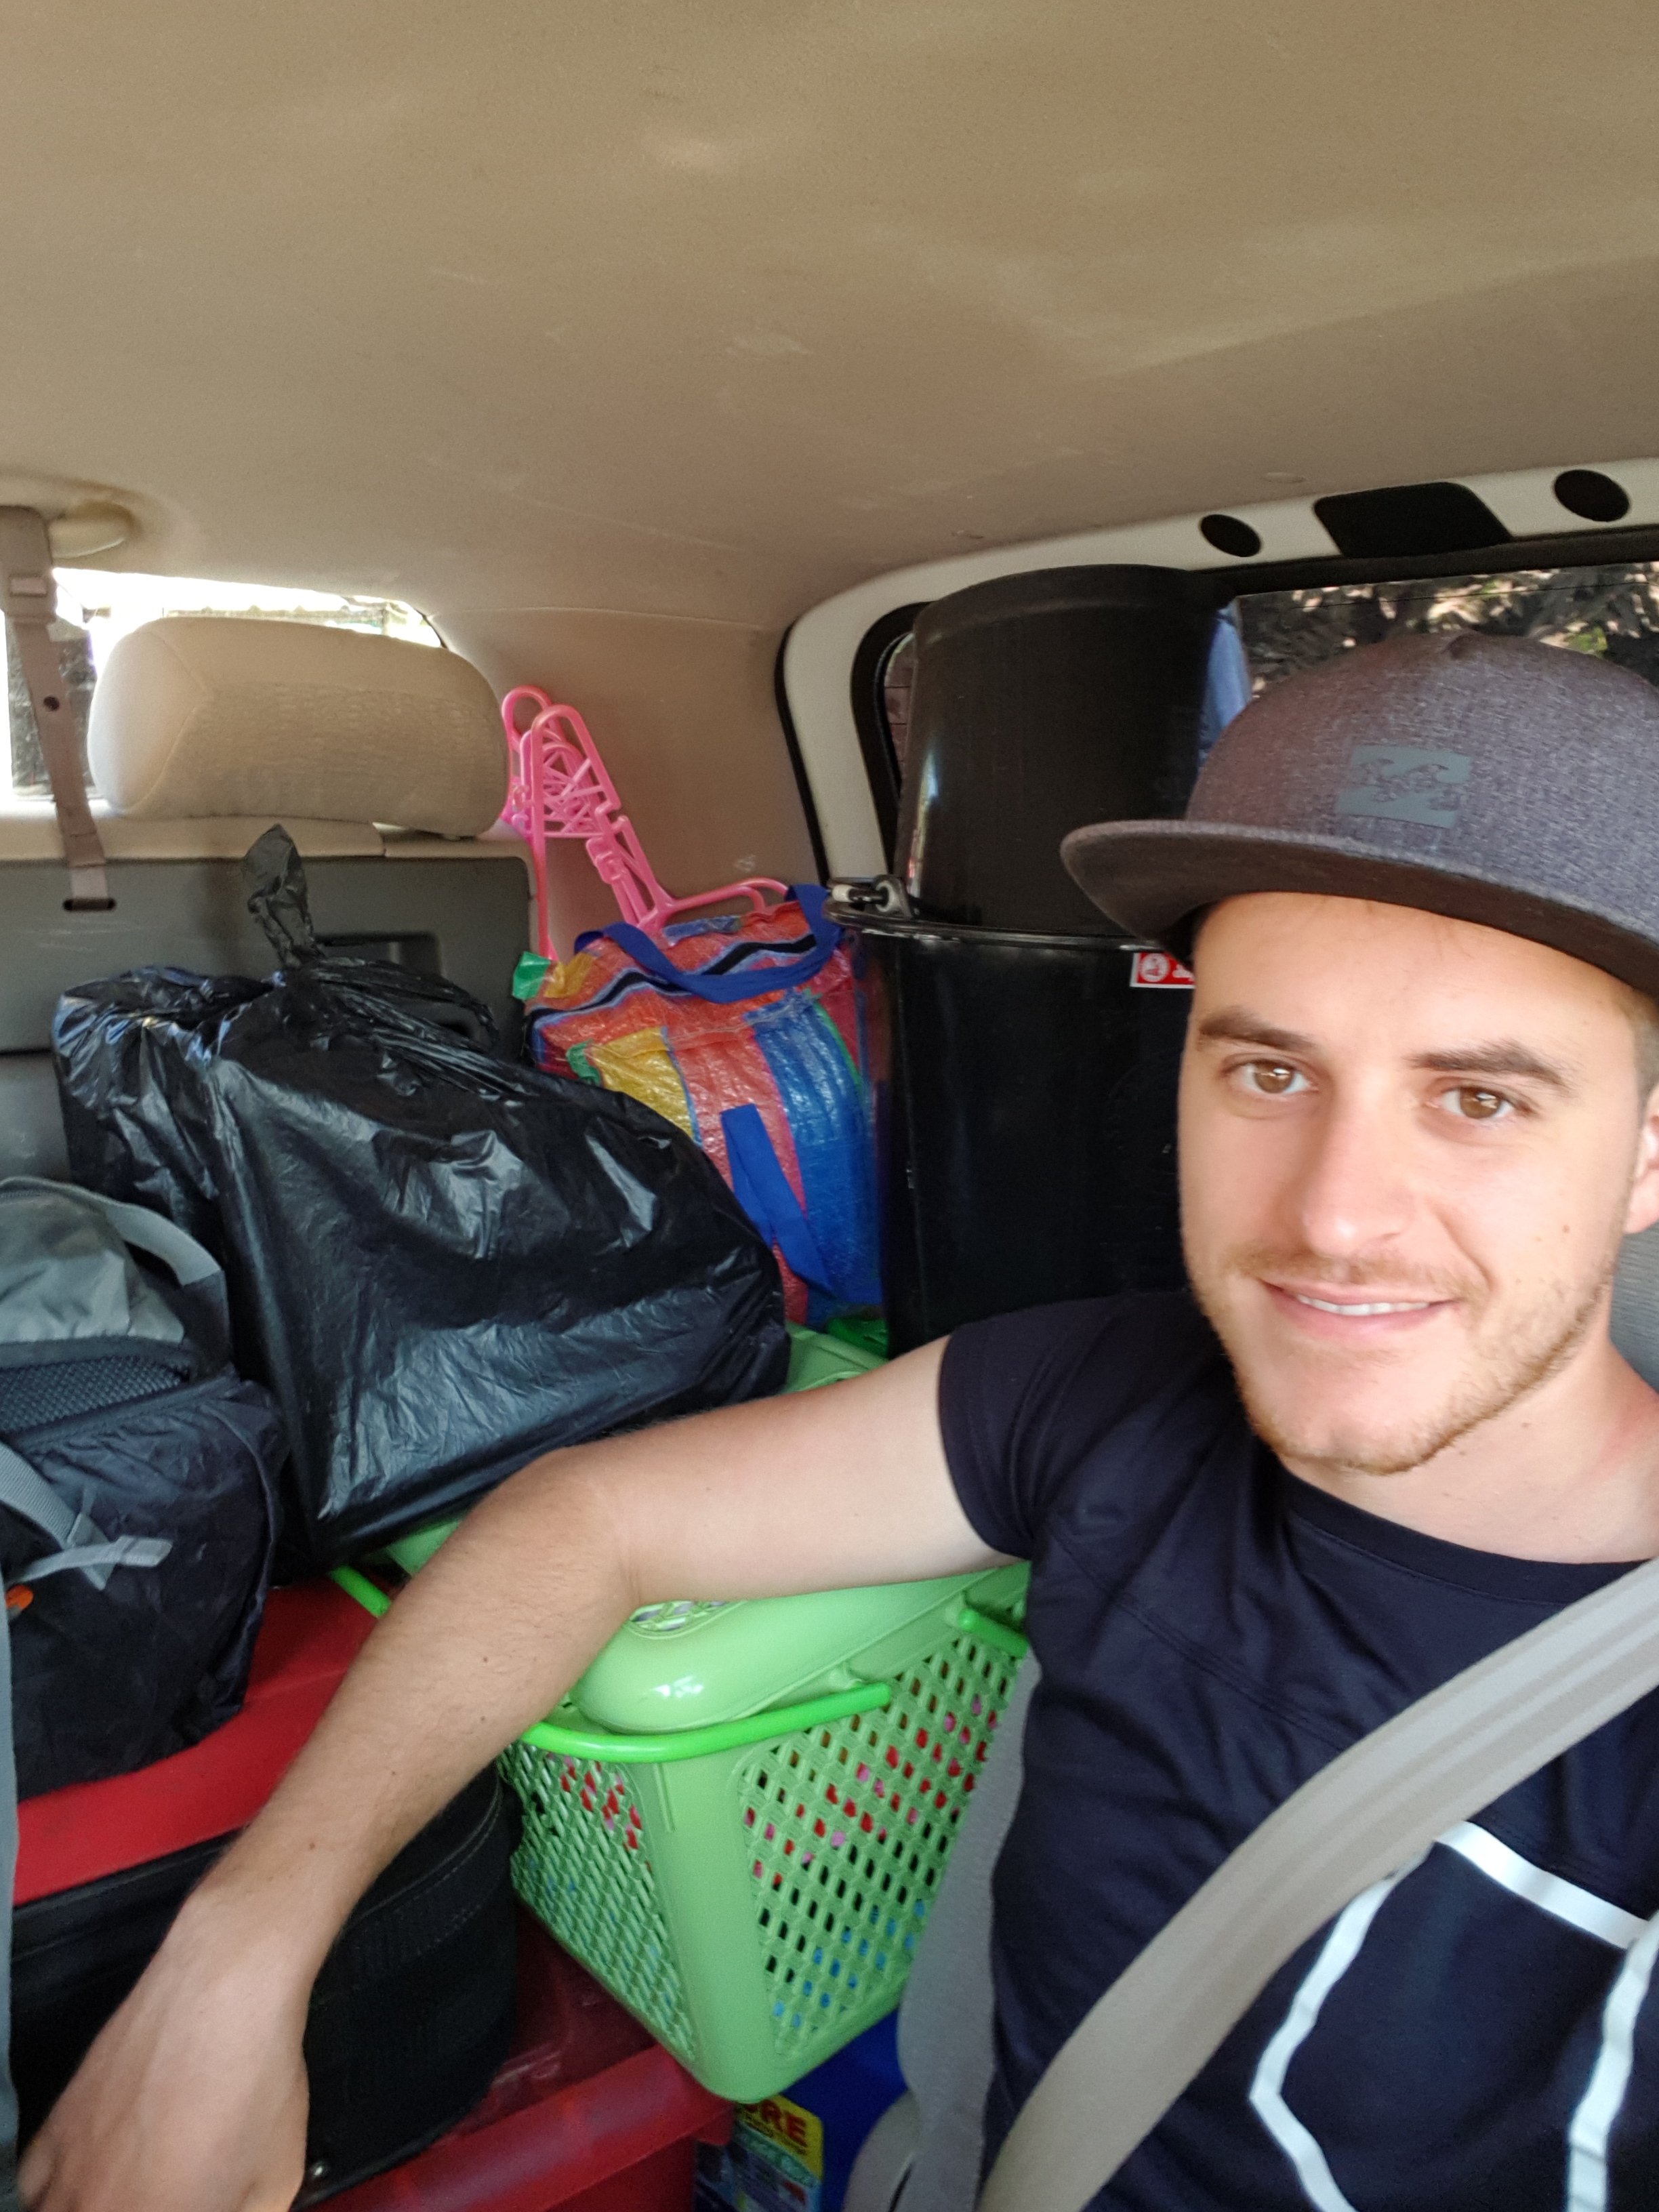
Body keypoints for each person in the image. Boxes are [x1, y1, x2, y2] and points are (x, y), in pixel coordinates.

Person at [24, 630, 1659, 2211]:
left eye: (1479, 1098)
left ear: (1649, 1155)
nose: (1337, 1217)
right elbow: (588, 1520)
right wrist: (237, 1958)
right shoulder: (1109, 1396)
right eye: (1271, 1073)